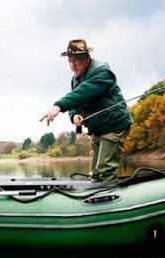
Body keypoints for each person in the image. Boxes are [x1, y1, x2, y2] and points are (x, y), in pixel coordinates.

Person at [43, 39, 132, 181]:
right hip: (97, 129)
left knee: (105, 170)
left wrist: (58, 106)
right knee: (95, 174)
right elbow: (76, 103)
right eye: (70, 61)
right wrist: (74, 116)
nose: (72, 66)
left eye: (76, 61)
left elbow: (82, 93)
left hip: (114, 125)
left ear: (86, 58)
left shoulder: (102, 72)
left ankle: (111, 198)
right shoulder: (75, 79)